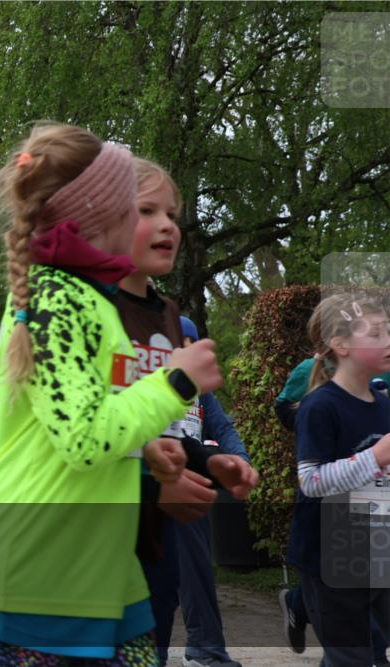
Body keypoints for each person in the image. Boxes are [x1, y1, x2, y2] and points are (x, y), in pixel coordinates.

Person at [0, 124, 219, 665]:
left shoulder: (87, 300)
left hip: (93, 568)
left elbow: (74, 421)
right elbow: (82, 438)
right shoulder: (58, 299)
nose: (157, 223)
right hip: (35, 569)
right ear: (101, 217)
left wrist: (149, 451)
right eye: (138, 208)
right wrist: (176, 381)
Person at [114, 159, 257, 666]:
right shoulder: (86, 316)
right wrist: (153, 479)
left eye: (172, 213)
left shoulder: (172, 321)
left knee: (175, 587)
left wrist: (222, 460)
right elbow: (87, 430)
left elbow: (213, 417)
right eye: (147, 210)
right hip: (105, 520)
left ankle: (206, 648)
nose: (168, 224)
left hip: (180, 481)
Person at [286, 293, 390, 667]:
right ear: (339, 344)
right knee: (351, 658)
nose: (388, 339)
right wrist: (375, 456)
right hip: (328, 557)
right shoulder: (320, 406)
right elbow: (311, 481)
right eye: (377, 332)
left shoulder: (384, 404)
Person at [175, 316, 253, 667]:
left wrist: (240, 461)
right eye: (182, 344)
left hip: (195, 484)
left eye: (192, 344)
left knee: (199, 570)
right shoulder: (149, 382)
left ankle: (205, 647)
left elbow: (224, 427)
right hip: (159, 486)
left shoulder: (202, 393)